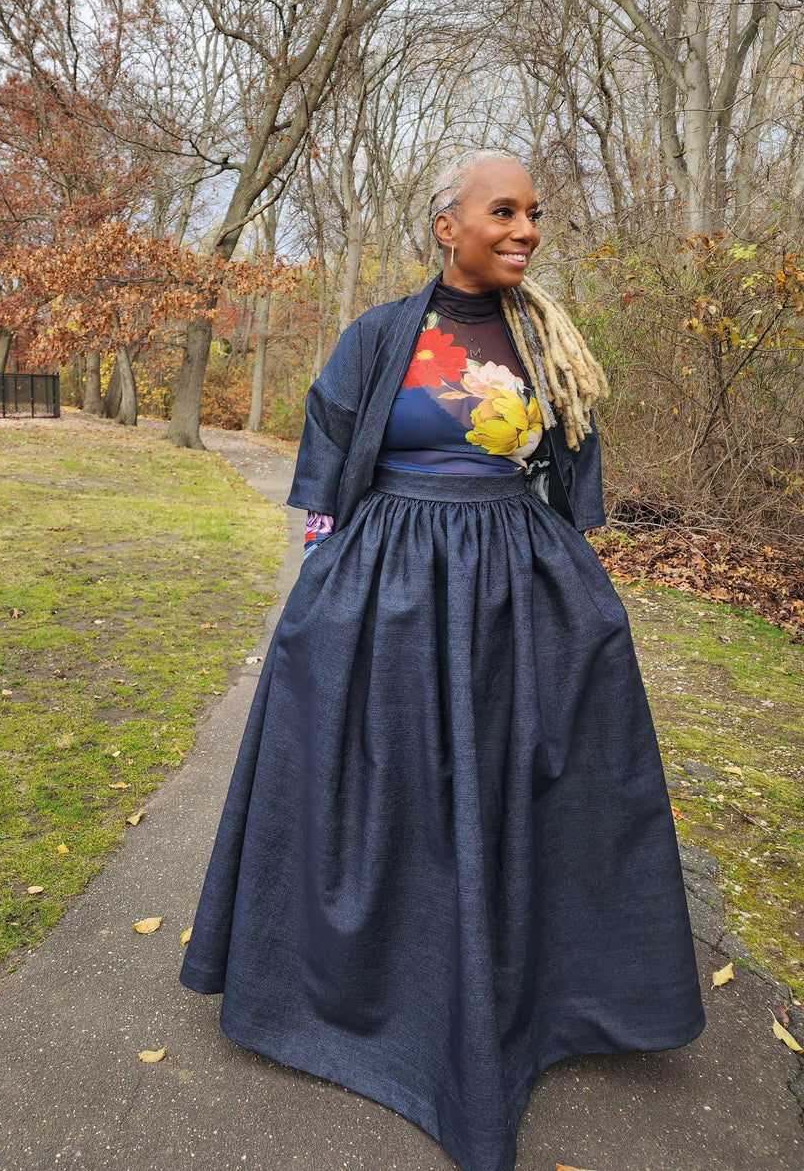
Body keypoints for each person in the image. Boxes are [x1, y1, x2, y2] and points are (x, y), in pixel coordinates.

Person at [179, 150, 706, 1171]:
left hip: (514, 582)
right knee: (390, 786)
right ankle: (372, 998)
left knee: (512, 787)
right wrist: (321, 594)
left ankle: (520, 997)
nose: (523, 230)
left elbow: (570, 477)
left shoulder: (547, 338)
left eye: (533, 214)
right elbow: (330, 470)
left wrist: (574, 600)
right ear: (446, 224)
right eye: (501, 212)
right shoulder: (383, 335)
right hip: (388, 583)